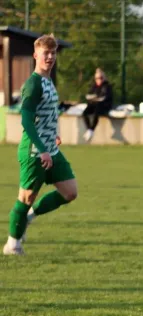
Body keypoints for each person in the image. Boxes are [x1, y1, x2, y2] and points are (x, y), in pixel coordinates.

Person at [3, 34, 78, 256]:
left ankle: (29, 217)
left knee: (70, 192)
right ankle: (12, 244)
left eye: (53, 53)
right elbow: (26, 120)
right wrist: (43, 149)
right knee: (25, 198)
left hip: (50, 150)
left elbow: (45, 115)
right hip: (34, 152)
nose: (50, 57)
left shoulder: (48, 81)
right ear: (36, 55)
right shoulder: (33, 83)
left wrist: (53, 135)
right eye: (46, 53)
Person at [82, 68, 113, 142]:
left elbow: (103, 98)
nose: (99, 80)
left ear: (104, 78)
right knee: (85, 112)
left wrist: (95, 98)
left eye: (101, 78)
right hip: (94, 104)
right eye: (97, 78)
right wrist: (93, 98)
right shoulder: (94, 86)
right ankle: (89, 129)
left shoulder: (107, 86)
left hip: (104, 105)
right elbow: (88, 95)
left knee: (97, 110)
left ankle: (91, 130)